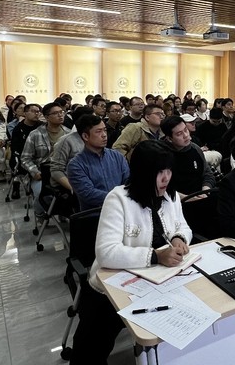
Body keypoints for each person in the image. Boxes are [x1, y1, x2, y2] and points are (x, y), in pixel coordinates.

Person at [69, 140, 192, 365]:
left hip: (162, 279)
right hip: (115, 284)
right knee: (89, 351)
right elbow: (106, 252)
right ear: (143, 173)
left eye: (169, 170)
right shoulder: (118, 199)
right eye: (159, 172)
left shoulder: (170, 196)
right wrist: (156, 256)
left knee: (183, 331)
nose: (166, 178)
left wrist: (178, 238)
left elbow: (183, 226)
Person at [67, 115, 130, 211]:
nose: (104, 135)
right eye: (98, 131)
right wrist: (119, 198)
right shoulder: (76, 165)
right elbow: (89, 194)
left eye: (105, 130)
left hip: (123, 208)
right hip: (96, 213)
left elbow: (128, 182)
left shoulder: (117, 156)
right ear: (85, 136)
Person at [21, 102, 71, 209]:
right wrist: (35, 172)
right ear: (47, 117)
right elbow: (25, 158)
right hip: (43, 173)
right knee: (40, 194)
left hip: (63, 172)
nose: (60, 115)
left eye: (62, 112)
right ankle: (40, 214)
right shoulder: (35, 134)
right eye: (56, 113)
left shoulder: (69, 134)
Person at [161, 116, 215, 199]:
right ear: (169, 138)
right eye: (179, 134)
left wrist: (205, 191)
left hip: (200, 196)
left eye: (185, 130)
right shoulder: (161, 154)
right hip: (175, 200)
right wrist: (185, 198)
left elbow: (207, 174)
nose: (186, 135)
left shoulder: (195, 148)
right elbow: (161, 187)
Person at [49, 106, 95, 191]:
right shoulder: (66, 141)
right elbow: (56, 171)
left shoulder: (95, 138)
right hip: (73, 185)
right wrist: (73, 189)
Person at [8, 103, 42, 199]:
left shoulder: (42, 126)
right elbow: (15, 148)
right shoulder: (18, 129)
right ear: (25, 113)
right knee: (16, 162)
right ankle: (16, 185)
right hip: (23, 156)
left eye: (38, 112)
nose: (36, 114)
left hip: (40, 155)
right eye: (33, 111)